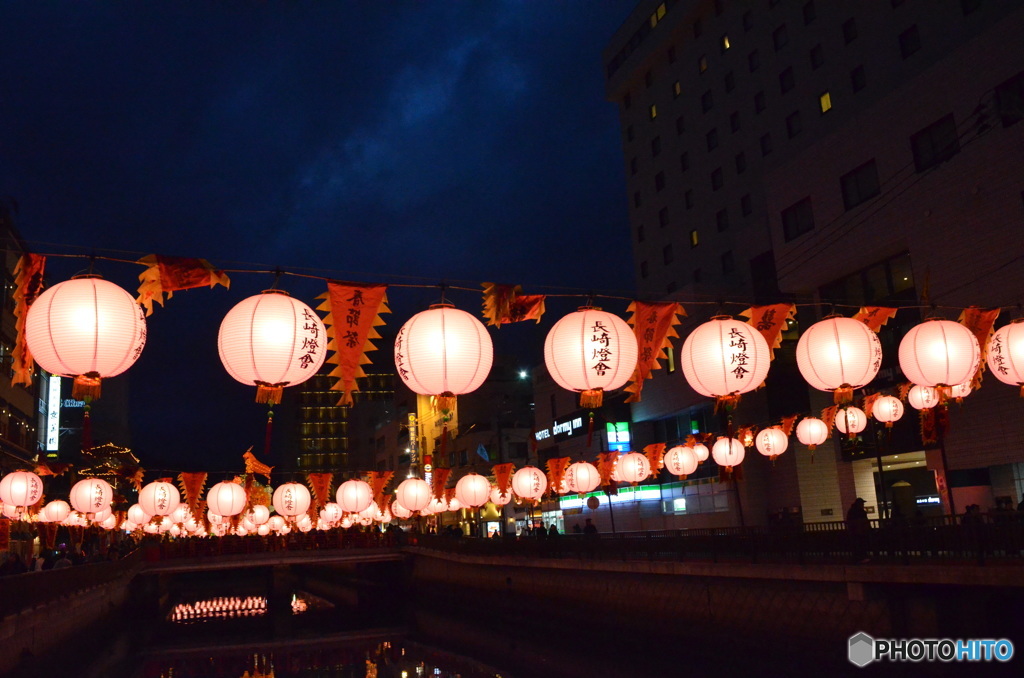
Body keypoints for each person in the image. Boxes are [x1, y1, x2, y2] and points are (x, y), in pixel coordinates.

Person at [846, 498, 871, 563]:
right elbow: (864, 521)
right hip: (860, 531)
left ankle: (857, 558)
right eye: (862, 503)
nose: (863, 505)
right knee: (861, 544)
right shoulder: (860, 511)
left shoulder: (851, 511)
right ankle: (862, 558)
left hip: (854, 531)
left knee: (856, 545)